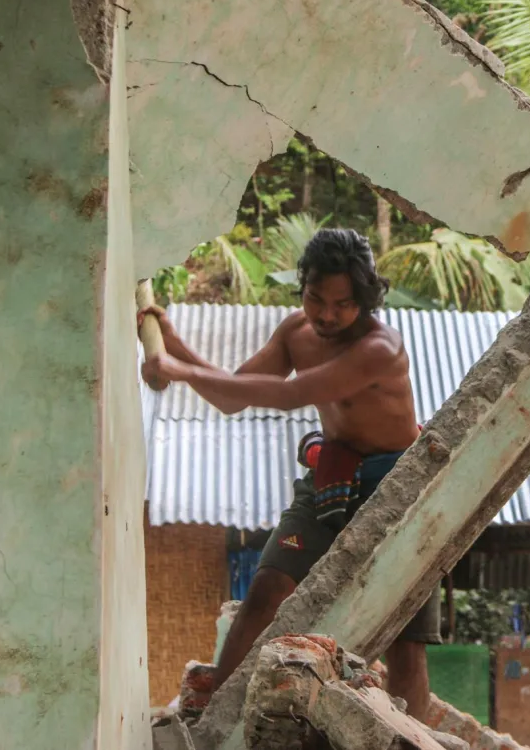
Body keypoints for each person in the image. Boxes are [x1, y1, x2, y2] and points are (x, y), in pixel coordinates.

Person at [139, 228, 439, 719]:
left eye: (342, 304)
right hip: (333, 476)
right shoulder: (296, 332)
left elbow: (289, 396)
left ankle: (412, 736)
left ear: (364, 301)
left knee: (407, 641)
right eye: (315, 297)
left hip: (397, 484)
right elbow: (234, 395)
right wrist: (175, 344)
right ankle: (215, 718)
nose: (325, 314)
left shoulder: (379, 347)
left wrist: (182, 371)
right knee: (266, 589)